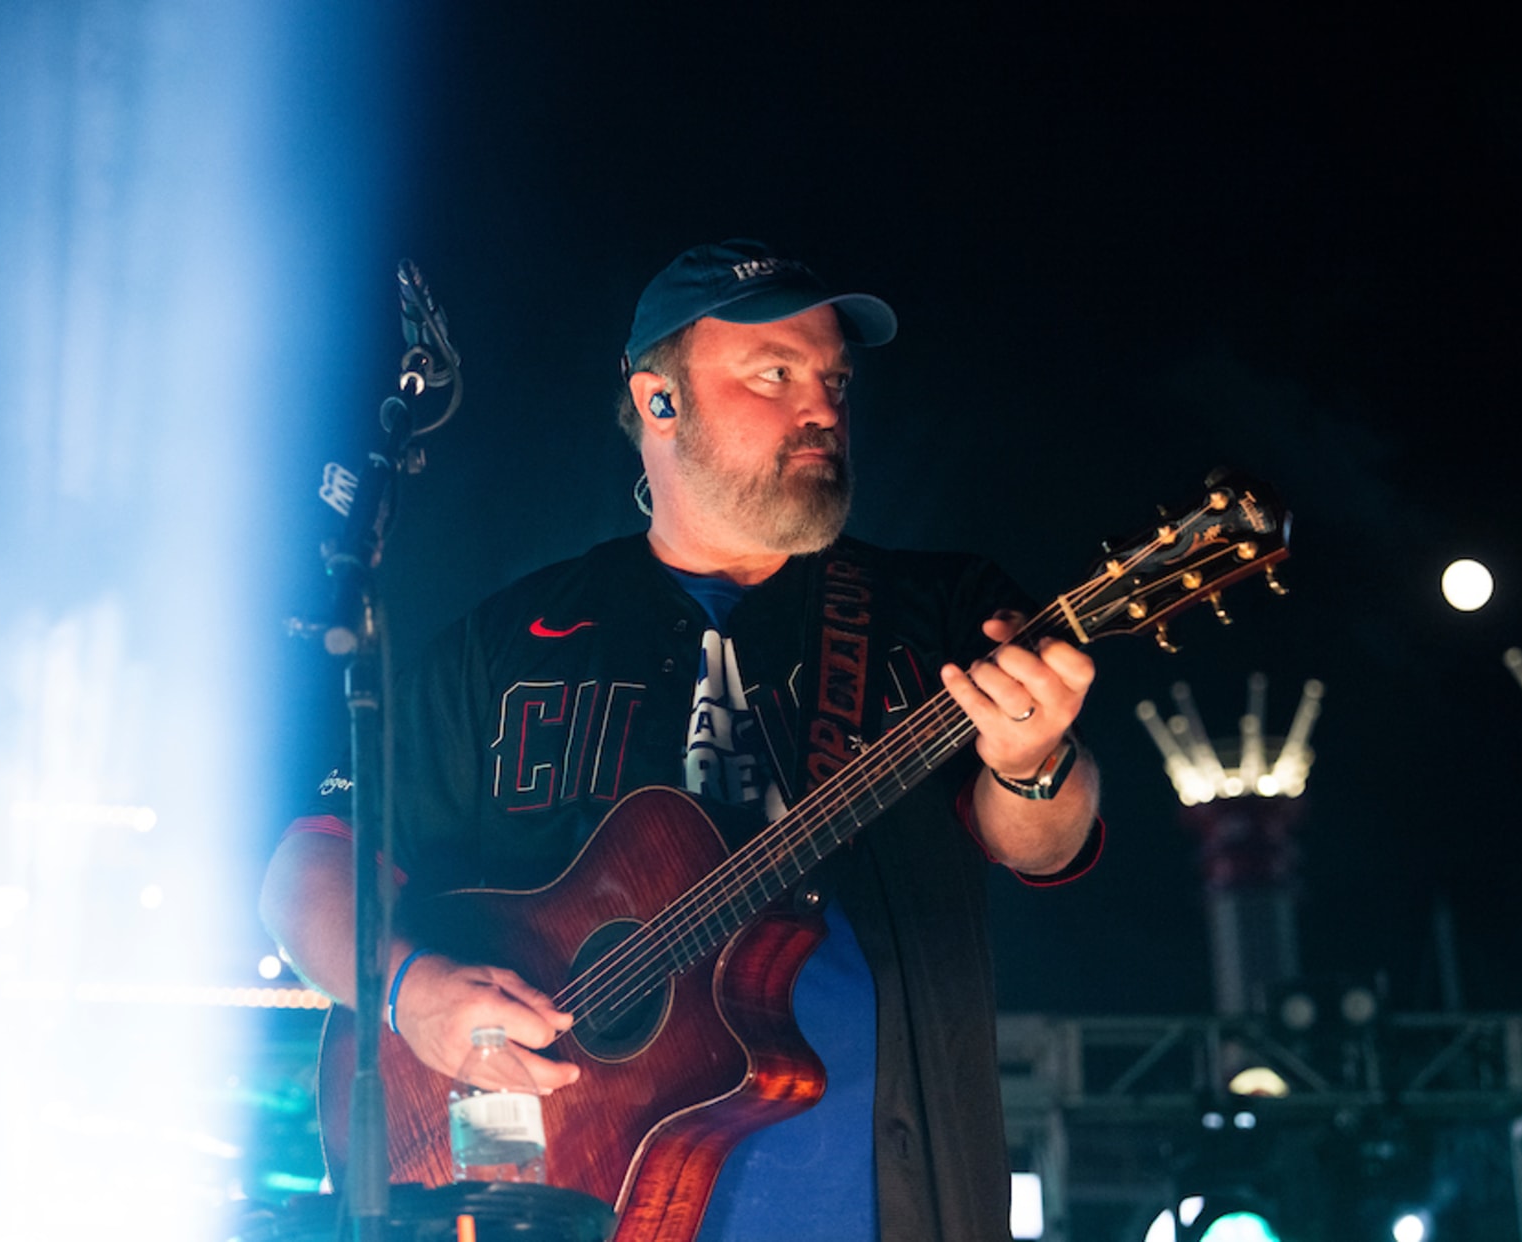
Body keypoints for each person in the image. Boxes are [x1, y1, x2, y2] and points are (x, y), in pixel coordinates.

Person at [260, 239, 1102, 1240]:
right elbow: (307, 870)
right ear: (659, 402)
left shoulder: (940, 610)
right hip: (567, 1205)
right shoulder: (505, 645)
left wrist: (1035, 763)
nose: (823, 407)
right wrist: (413, 993)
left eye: (832, 378)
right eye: (774, 374)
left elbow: (1040, 841)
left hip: (885, 1203)